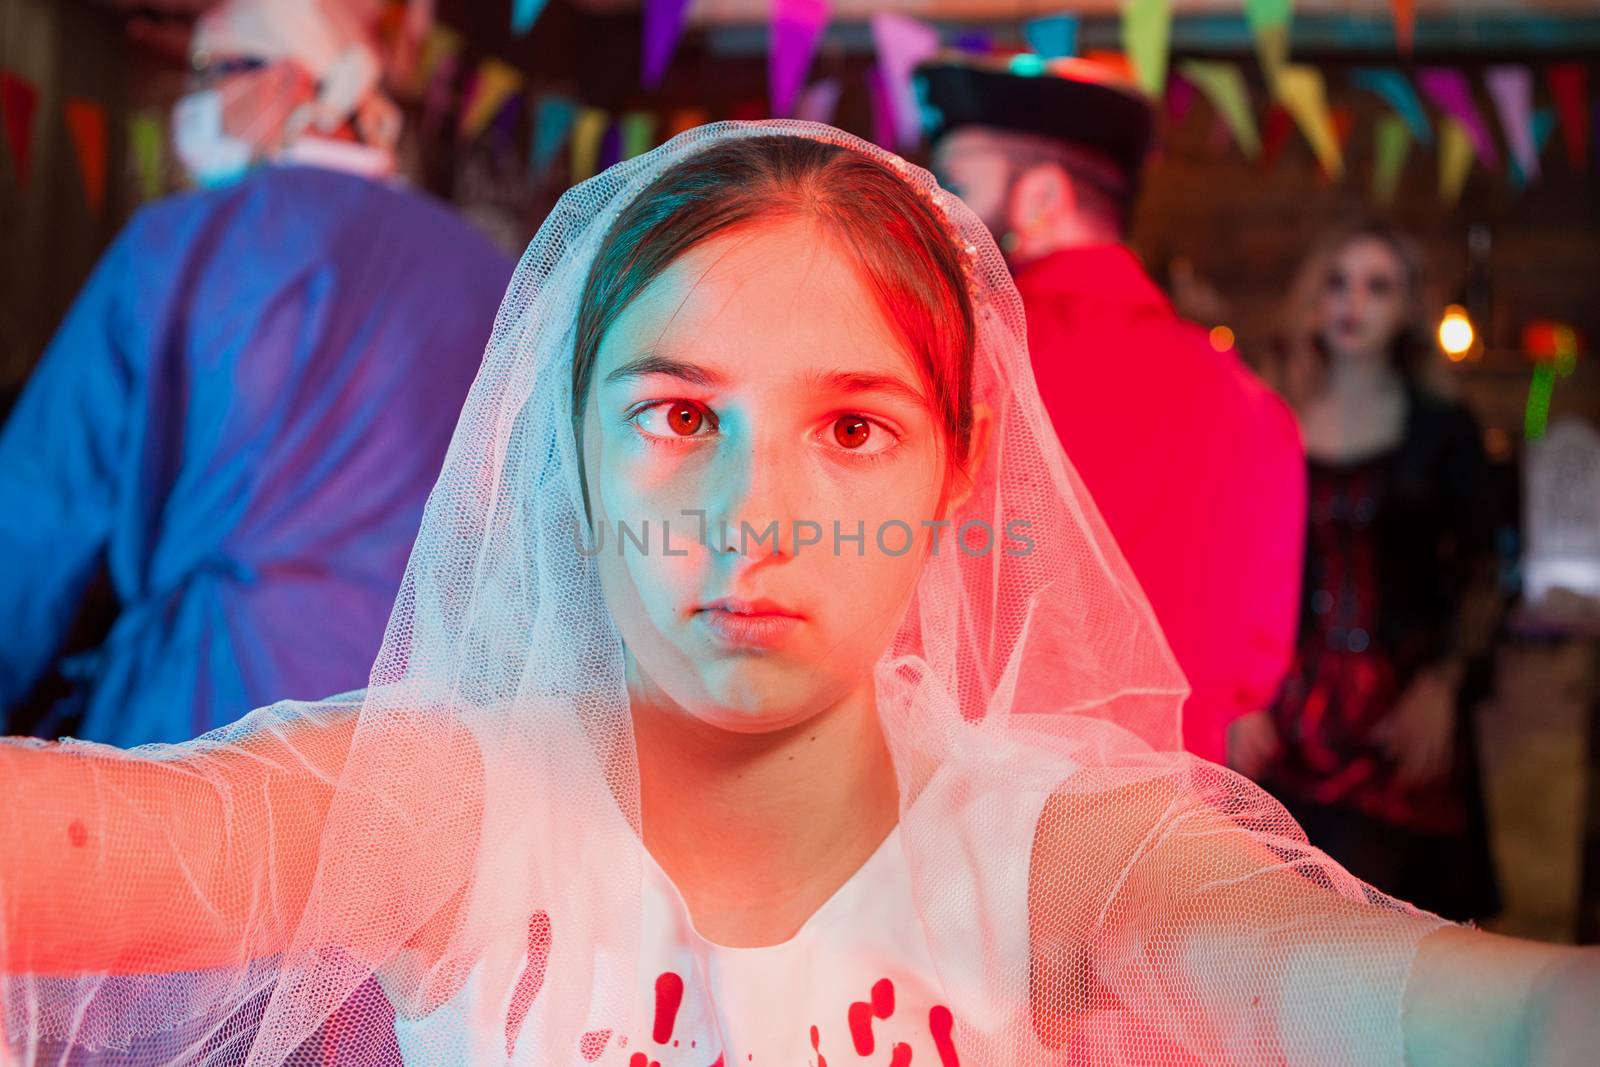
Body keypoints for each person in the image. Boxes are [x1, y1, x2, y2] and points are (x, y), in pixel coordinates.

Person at [1, 124, 1596, 1067]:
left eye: (851, 428)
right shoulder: (456, 806)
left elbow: (1464, 1011)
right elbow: (111, 847)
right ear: (571, 449)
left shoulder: (1067, 862)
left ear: (956, 470)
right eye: (679, 415)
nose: (747, 520)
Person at [0, 0, 515, 745]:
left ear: (285, 84)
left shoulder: (181, 245)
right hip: (422, 736)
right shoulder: (491, 277)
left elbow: (38, 512)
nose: (192, 101)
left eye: (212, 73)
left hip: (207, 715)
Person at [916, 54, 1305, 773]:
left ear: (1038, 198)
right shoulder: (1254, 405)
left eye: (955, 190)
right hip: (1172, 843)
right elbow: (1256, 669)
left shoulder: (952, 362)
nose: (936, 216)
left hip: (980, 824)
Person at [1258, 221, 1504, 921]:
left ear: (1405, 310)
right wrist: (1240, 694)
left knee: (1396, 929)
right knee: (1283, 923)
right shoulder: (1270, 415)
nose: (1352, 303)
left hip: (1400, 714)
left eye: (1377, 286)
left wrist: (1447, 680)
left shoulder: (1443, 428)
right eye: (1337, 282)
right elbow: (1237, 560)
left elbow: (1489, 561)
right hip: (1286, 714)